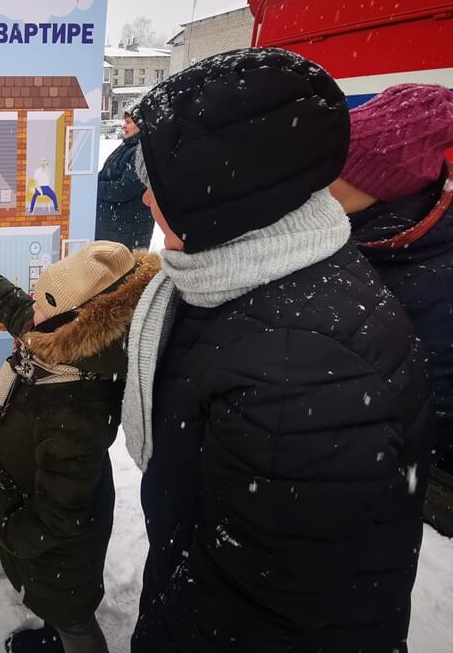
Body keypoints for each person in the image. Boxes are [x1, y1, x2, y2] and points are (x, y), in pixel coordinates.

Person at [122, 49, 433, 652]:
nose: (144, 202)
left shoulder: (305, 373)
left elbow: (251, 616)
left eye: (155, 184)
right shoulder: (235, 275)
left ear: (214, 201)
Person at [0, 240, 158, 653]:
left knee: (74, 620)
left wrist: (15, 534)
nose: (32, 309)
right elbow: (19, 311)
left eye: (43, 304)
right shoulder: (61, 344)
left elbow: (61, 513)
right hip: (45, 530)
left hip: (60, 549)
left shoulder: (75, 405)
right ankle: (57, 634)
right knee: (57, 608)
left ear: (74, 321)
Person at [328, 83, 453, 537]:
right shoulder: (367, 230)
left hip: (389, 473)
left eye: (335, 172)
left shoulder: (430, 273)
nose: (319, 182)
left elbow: (430, 401)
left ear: (382, 185)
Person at [94, 108, 155, 249]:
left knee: (122, 269)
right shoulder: (128, 147)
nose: (123, 126)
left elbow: (124, 189)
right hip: (115, 228)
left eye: (128, 122)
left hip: (126, 232)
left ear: (141, 124)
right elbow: (107, 175)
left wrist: (92, 187)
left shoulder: (142, 152)